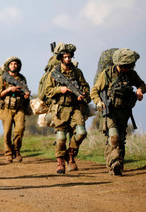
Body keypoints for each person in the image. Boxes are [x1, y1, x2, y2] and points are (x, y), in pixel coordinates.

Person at [90, 48, 146, 175]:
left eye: (129, 66)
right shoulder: (107, 74)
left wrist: (140, 90)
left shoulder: (131, 74)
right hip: (110, 111)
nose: (127, 69)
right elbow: (94, 91)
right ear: (118, 64)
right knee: (114, 137)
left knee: (120, 138)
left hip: (124, 112)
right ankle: (113, 163)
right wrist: (98, 102)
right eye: (125, 66)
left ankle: (118, 165)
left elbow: (142, 84)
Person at [44, 43, 90, 174]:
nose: (68, 59)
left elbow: (85, 87)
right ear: (60, 58)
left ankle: (70, 154)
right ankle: (60, 163)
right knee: (61, 138)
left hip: (75, 107)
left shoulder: (77, 72)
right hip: (60, 109)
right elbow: (47, 91)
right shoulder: (54, 73)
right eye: (65, 57)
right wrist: (60, 89)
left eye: (70, 57)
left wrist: (83, 95)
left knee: (81, 133)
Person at [0, 57, 30, 163]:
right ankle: (8, 153)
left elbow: (25, 91)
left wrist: (26, 95)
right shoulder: (2, 78)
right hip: (6, 108)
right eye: (11, 64)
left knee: (20, 130)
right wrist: (9, 89)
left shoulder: (21, 78)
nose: (14, 66)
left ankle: (17, 151)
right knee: (7, 132)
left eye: (15, 64)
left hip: (19, 107)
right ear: (8, 66)